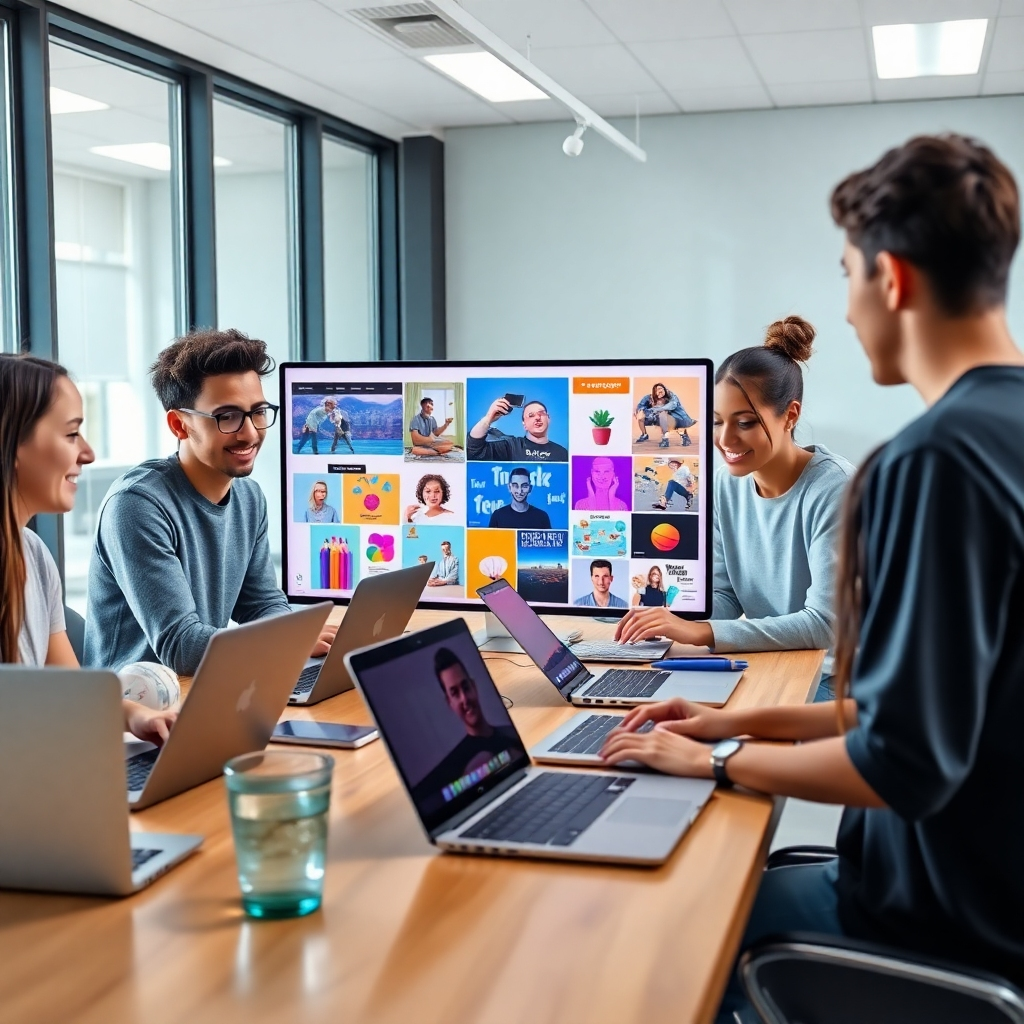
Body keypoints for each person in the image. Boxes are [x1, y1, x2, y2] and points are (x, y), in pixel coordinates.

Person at [602, 134, 1024, 1012]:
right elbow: (919, 705)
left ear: (893, 279)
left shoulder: (933, 460)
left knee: (662, 927)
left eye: (847, 275)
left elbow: (905, 760)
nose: (846, 308)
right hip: (997, 889)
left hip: (935, 918)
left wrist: (718, 762)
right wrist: (730, 718)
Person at [618, 316, 854, 702]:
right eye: (715, 422)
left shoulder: (837, 490)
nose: (726, 440)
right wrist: (671, 619)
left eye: (745, 423)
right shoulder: (727, 483)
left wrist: (702, 633)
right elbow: (725, 596)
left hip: (840, 686)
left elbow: (825, 625)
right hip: (776, 665)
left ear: (790, 416)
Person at [85, 329, 337, 675]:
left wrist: (294, 636)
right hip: (136, 710)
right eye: (228, 417)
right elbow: (182, 646)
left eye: (258, 412)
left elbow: (262, 604)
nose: (250, 432)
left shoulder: (248, 497)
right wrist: (286, 642)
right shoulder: (137, 505)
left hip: (209, 686)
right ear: (179, 424)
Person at [0, 353, 177, 744]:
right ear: (11, 442)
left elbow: (69, 692)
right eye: (70, 434)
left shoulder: (32, 553)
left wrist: (136, 718)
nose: (88, 454)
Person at [410, 647, 523, 803]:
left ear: (474, 686)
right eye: (455, 693)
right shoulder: (454, 765)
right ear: (449, 702)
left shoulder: (510, 735)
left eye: (465, 687)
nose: (464, 699)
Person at [468, 396, 568, 462]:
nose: (537, 417)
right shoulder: (511, 446)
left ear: (548, 419)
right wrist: (488, 418)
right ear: (524, 424)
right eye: (531, 415)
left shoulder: (562, 453)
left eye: (541, 413)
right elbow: (473, 449)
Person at [634, 383, 697, 448]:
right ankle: (644, 434)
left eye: (660, 389)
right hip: (656, 417)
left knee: (669, 420)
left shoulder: (672, 396)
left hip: (675, 417)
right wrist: (641, 410)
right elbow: (641, 405)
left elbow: (672, 405)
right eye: (656, 390)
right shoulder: (649, 397)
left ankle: (674, 438)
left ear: (664, 389)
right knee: (641, 416)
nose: (659, 391)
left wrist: (658, 409)